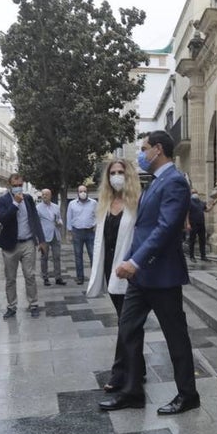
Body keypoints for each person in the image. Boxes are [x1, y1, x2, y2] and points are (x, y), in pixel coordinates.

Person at [98, 132, 200, 415]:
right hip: (140, 277)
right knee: (128, 329)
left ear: (157, 150)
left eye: (143, 149)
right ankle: (132, 391)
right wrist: (130, 262)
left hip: (162, 275)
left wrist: (137, 261)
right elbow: (142, 229)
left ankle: (188, 394)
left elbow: (166, 228)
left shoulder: (176, 182)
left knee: (175, 336)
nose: (140, 155)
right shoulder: (155, 183)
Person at [86, 159, 142, 392]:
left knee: (126, 324)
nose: (116, 176)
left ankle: (120, 373)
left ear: (128, 175)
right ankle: (139, 368)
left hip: (130, 272)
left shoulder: (137, 203)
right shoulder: (105, 203)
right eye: (112, 173)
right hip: (111, 272)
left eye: (120, 172)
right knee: (126, 322)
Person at [0, 174, 45, 319]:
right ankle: (11, 306)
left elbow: (35, 219)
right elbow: (3, 219)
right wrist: (15, 204)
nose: (18, 188)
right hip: (10, 245)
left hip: (28, 242)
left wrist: (41, 240)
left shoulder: (29, 199)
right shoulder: (3, 200)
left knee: (30, 275)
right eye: (15, 185)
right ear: (10, 186)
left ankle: (33, 304)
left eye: (20, 185)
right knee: (10, 278)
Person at [65, 184, 97, 284]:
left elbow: (98, 215)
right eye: (80, 191)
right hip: (77, 232)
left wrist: (95, 225)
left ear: (87, 192)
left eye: (84, 191)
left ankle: (95, 278)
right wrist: (69, 232)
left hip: (90, 232)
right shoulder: (72, 204)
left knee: (93, 255)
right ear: (77, 193)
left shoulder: (94, 203)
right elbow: (69, 217)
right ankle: (80, 278)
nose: (83, 193)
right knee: (78, 256)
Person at [35, 189, 66, 286]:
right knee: (44, 257)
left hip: (55, 235)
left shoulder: (56, 207)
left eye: (46, 194)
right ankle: (45, 278)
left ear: (50, 195)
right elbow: (36, 223)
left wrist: (60, 222)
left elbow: (59, 218)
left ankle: (58, 278)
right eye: (43, 194)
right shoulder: (38, 208)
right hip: (44, 236)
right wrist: (38, 238)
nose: (44, 196)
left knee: (57, 257)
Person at [184, 189, 210, 262]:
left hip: (201, 223)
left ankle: (203, 256)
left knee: (202, 240)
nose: (195, 194)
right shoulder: (189, 202)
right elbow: (187, 214)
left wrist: (213, 205)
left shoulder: (201, 203)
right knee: (192, 240)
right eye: (193, 192)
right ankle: (192, 256)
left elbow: (207, 210)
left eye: (195, 192)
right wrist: (188, 223)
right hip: (193, 223)